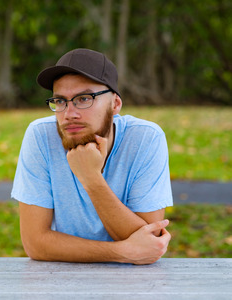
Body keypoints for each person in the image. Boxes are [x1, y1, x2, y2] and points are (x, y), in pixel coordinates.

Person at [11, 48, 173, 265]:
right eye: (60, 101)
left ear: (115, 104)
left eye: (84, 98)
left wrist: (91, 178)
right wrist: (121, 252)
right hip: (63, 277)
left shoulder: (145, 138)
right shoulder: (41, 136)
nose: (69, 114)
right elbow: (35, 243)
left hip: (136, 282)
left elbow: (150, 243)